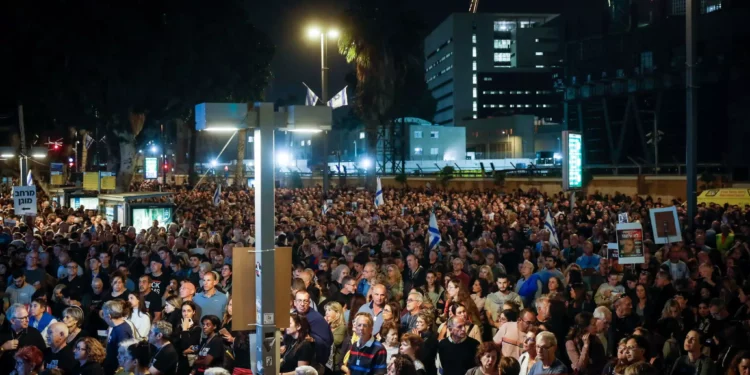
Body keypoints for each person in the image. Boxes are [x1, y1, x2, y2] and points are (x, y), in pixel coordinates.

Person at [0, 303, 46, 375]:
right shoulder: (2, 332)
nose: (27, 320)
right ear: (12, 321)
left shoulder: (34, 333)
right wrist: (3, 348)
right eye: (23, 318)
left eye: (27, 316)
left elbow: (43, 356)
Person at [102, 300, 134, 375]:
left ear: (109, 316)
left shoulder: (122, 331)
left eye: (104, 315)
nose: (103, 317)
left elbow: (124, 354)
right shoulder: (117, 327)